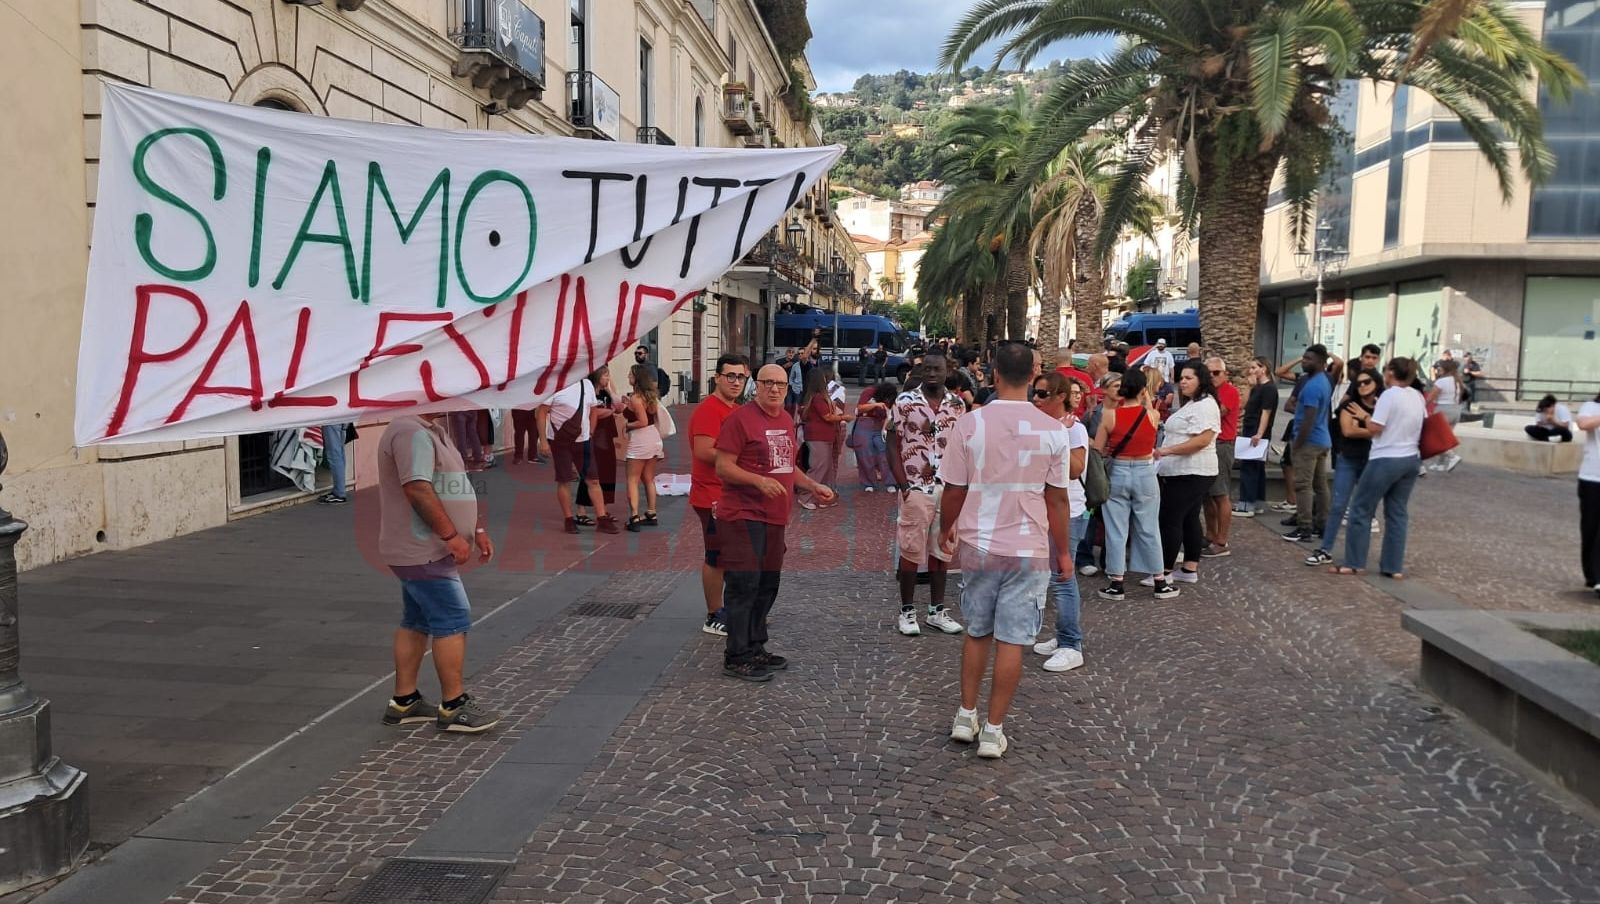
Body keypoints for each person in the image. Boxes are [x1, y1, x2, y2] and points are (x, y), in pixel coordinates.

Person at [937, 342, 1073, 758]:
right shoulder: (1054, 430)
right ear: (1034, 376)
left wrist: (946, 529)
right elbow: (1058, 500)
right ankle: (994, 731)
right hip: (1028, 547)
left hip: (979, 541)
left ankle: (965, 714)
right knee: (1012, 641)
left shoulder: (970, 423)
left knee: (978, 632)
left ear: (993, 374)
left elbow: (954, 488)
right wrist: (1063, 552)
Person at [377, 412, 500, 733]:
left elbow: (453, 482)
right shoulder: (409, 431)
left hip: (425, 549)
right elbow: (417, 488)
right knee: (453, 618)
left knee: (416, 619)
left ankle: (405, 701)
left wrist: (477, 527)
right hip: (422, 549)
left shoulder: (432, 430)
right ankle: (453, 705)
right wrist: (451, 536)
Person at [715, 364, 836, 681]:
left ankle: (756, 646)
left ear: (787, 387)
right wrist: (757, 481)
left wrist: (812, 485)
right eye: (767, 383)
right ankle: (736, 654)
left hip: (774, 517)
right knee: (744, 584)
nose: (774, 389)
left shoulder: (784, 419)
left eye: (780, 384)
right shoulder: (739, 419)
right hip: (742, 515)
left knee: (768, 584)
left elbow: (787, 466)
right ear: (756, 385)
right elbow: (723, 467)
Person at [888, 351, 968, 637]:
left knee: (943, 550)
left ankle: (936, 611)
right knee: (910, 550)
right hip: (915, 488)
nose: (932, 373)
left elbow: (962, 448)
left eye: (938, 369)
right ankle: (907, 611)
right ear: (921, 371)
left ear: (947, 371)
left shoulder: (958, 405)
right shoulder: (905, 402)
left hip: (947, 488)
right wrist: (903, 485)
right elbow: (891, 443)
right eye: (928, 369)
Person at [1333, 358, 1427, 578]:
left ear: (1392, 373)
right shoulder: (1416, 396)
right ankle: (1393, 567)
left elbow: (1376, 427)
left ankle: (1354, 562)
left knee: (1360, 509)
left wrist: (1364, 417)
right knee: (1397, 513)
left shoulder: (1389, 395)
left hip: (1386, 457)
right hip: (1411, 458)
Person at [1029, 372, 1090, 673]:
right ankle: (1063, 636)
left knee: (1064, 580)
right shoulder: (1045, 426)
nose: (1036, 399)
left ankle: (1071, 644)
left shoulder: (1074, 430)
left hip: (1070, 511)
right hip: (1046, 510)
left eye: (1042, 394)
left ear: (1060, 397)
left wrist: (1060, 437)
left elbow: (1075, 469)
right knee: (1054, 576)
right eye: (1035, 393)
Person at [1094, 368, 1172, 600]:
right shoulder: (1152, 415)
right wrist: (1145, 396)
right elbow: (1150, 410)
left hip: (1118, 470)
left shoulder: (1109, 415)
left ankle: (1116, 582)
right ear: (1141, 389)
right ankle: (1159, 580)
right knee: (1149, 527)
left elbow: (1098, 449)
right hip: (1145, 472)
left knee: (1116, 529)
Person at [688, 354, 750, 637]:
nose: (736, 382)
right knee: (716, 556)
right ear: (718, 378)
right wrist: (741, 460)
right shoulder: (709, 410)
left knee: (729, 555)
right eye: (731, 376)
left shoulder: (734, 409)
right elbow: (703, 451)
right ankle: (713, 614)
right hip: (711, 494)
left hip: (729, 494)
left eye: (741, 377)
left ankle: (729, 610)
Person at [1304, 366, 1383, 567]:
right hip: (1349, 459)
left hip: (1372, 461)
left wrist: (1366, 424)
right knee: (1339, 505)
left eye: (1367, 382)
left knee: (1364, 509)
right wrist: (1376, 430)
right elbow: (1347, 430)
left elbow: (1385, 429)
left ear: (1377, 384)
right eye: (1359, 382)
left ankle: (1357, 557)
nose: (1363, 386)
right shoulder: (1349, 405)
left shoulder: (1383, 406)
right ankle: (1325, 549)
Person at [1152, 361, 1219, 587]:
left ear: (1201, 380)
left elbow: (1202, 440)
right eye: (1181, 378)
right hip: (1183, 470)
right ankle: (1190, 567)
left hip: (1191, 471)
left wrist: (1167, 450)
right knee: (1190, 518)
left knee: (1170, 519)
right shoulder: (1194, 403)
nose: (1183, 382)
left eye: (1189, 378)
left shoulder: (1205, 406)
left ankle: (1164, 571)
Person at [537, 377, 621, 535]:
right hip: (560, 440)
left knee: (593, 479)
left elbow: (593, 410)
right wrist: (543, 441)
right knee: (564, 479)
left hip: (583, 440)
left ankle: (601, 518)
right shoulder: (555, 384)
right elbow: (541, 413)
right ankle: (569, 519)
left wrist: (590, 431)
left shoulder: (586, 384)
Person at [1283, 347, 1333, 543]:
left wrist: (1298, 444)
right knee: (1320, 485)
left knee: (1303, 485)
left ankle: (1304, 527)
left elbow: (1308, 419)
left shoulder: (1313, 386)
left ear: (1321, 362)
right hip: (1322, 440)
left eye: (1308, 359)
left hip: (1309, 442)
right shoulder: (1324, 381)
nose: (1303, 361)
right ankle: (1323, 525)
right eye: (1304, 357)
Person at [574, 369, 622, 526]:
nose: (608, 378)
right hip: (592, 435)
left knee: (607, 471)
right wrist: (608, 412)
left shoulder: (605, 393)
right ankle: (581, 511)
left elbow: (619, 406)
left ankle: (603, 508)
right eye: (605, 375)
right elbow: (591, 413)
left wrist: (609, 389)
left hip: (607, 436)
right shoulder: (587, 392)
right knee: (589, 472)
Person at [1201, 357, 1239, 556]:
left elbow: (1218, 412)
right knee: (1207, 495)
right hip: (1208, 444)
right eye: (1208, 373)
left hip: (1222, 444)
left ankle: (1222, 541)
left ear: (1225, 374)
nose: (1212, 377)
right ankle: (1210, 535)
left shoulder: (1230, 391)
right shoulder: (1207, 393)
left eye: (1216, 373)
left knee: (1220, 493)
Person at [798, 368, 849, 510]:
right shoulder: (819, 397)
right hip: (819, 436)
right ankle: (806, 496)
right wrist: (844, 417)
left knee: (824, 467)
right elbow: (827, 416)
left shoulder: (811, 396)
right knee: (818, 467)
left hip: (823, 435)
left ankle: (823, 497)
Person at [622, 363, 665, 531]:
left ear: (637, 379)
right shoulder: (651, 396)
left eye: (630, 375)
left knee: (632, 479)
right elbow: (649, 416)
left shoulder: (636, 398)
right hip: (653, 437)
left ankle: (634, 516)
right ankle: (651, 513)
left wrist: (627, 425)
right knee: (648, 478)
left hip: (641, 440)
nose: (628, 377)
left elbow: (642, 421)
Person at [1234, 357, 1278, 518]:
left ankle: (1247, 504)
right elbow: (1243, 405)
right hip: (1251, 428)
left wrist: (1259, 433)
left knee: (1250, 467)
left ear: (1263, 368)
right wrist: (1249, 386)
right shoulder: (1257, 388)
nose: (1251, 371)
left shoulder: (1269, 389)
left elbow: (1266, 412)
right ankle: (1257, 502)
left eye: (1254, 367)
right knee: (1256, 467)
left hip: (1256, 431)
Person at [851, 381, 895, 491]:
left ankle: (890, 482)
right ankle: (868, 483)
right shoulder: (869, 392)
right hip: (864, 423)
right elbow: (859, 408)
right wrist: (875, 405)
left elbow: (889, 415)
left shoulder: (891, 399)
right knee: (865, 453)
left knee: (884, 453)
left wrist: (884, 429)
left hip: (879, 425)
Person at [1577, 390, 1600, 597]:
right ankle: (1592, 575)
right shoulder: (1591, 407)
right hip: (1592, 478)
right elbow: (1583, 425)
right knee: (1590, 528)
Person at [1426, 359, 1464, 472]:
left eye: (1440, 368)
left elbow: (1431, 397)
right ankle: (1440, 464)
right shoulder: (1457, 380)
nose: (1438, 370)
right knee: (1445, 437)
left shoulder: (1441, 382)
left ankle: (1452, 456)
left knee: (1437, 438)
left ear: (1445, 369)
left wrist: (1423, 405)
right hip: (1455, 410)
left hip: (1443, 410)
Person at [319, 423, 352, 504]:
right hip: (342, 418)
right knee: (340, 452)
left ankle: (339, 493)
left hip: (332, 420)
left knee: (334, 454)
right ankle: (339, 490)